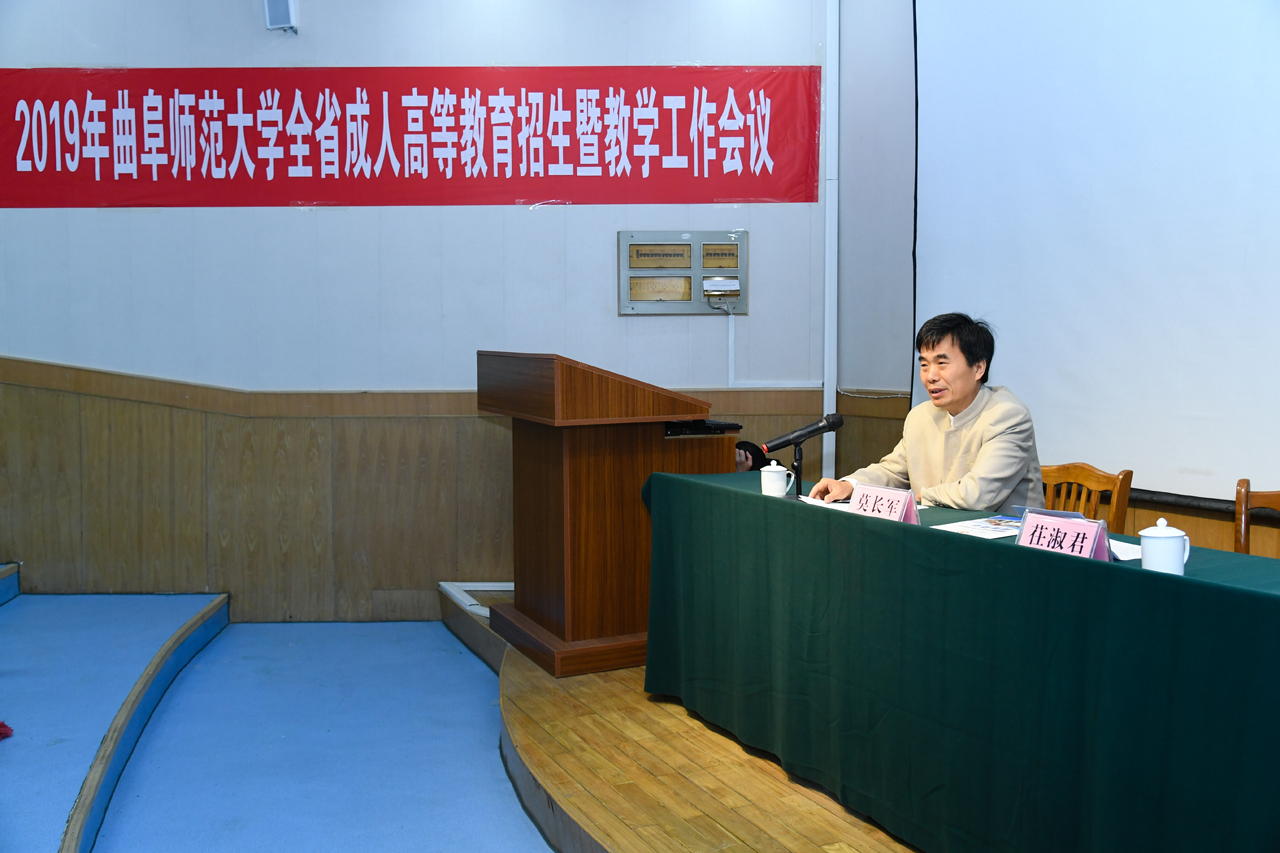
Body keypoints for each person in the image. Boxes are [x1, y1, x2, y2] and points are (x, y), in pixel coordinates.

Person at [809, 313, 1043, 514]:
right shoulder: (921, 416)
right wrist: (851, 485)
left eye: (942, 364)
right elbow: (893, 471)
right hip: (938, 536)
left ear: (978, 368)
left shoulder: (1007, 416)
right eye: (924, 364)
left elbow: (978, 495)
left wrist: (917, 498)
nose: (930, 376)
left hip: (1003, 546)